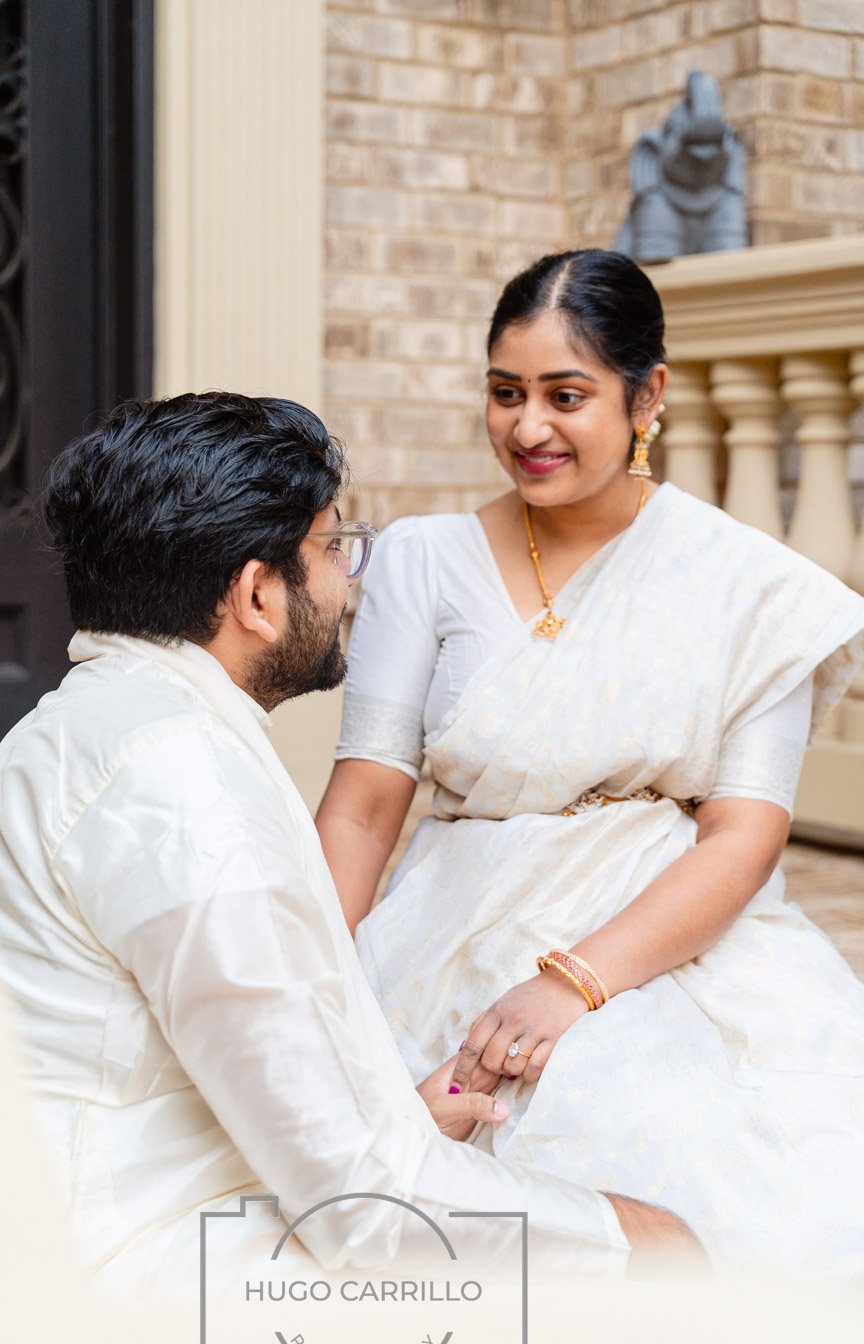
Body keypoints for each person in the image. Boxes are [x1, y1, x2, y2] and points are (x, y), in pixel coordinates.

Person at [0, 391, 695, 1298]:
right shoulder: (183, 785)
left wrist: (390, 1119)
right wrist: (626, 1240)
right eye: (333, 547)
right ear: (257, 595)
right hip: (125, 1265)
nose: (350, 579)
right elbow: (366, 1212)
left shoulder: (95, 724)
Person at [317, 249, 864, 1279]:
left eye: (566, 396)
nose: (528, 429)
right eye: (504, 393)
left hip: (661, 932)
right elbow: (364, 803)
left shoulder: (754, 590)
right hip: (446, 926)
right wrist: (294, 976)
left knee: (694, 1159)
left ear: (646, 394)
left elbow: (743, 835)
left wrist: (572, 987)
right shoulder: (424, 562)